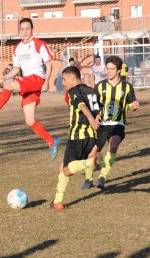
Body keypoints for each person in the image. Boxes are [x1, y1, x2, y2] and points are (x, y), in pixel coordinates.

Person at [0, 18, 60, 159]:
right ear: (20, 30)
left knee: (9, 85)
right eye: (22, 29)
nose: (25, 31)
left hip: (36, 79)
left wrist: (47, 81)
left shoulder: (39, 44)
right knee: (29, 121)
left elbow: (49, 63)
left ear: (32, 29)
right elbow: (16, 69)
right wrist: (3, 78)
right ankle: (52, 141)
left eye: (28, 28)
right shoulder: (18, 48)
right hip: (28, 83)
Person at [82, 55, 140, 190]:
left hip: (118, 124)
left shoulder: (127, 87)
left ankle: (102, 177)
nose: (109, 71)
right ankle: (88, 179)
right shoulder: (100, 86)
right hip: (101, 125)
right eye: (107, 68)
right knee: (92, 152)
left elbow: (131, 105)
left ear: (119, 70)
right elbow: (93, 105)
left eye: (112, 69)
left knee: (112, 146)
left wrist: (134, 107)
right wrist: (94, 115)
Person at [50, 66, 102, 210]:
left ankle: (89, 163)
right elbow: (99, 110)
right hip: (91, 136)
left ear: (73, 78)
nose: (64, 83)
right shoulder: (91, 90)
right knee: (63, 168)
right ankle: (57, 202)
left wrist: (91, 119)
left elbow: (81, 105)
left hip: (77, 136)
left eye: (65, 80)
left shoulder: (74, 90)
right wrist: (95, 119)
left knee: (65, 170)